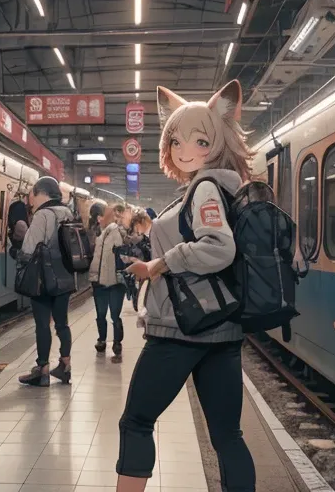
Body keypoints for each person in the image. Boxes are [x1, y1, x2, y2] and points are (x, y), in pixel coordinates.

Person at [115, 80, 256, 492]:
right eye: (175, 141)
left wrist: (159, 264)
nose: (183, 150)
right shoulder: (222, 187)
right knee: (228, 436)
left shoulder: (206, 189)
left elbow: (218, 247)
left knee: (136, 421)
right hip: (222, 330)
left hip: (183, 330)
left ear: (218, 139)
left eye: (198, 140)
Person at [17, 176, 75, 388]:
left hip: (44, 279)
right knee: (62, 323)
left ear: (39, 193)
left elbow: (29, 248)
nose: (31, 201)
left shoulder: (42, 215)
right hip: (66, 278)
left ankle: (42, 370)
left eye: (32, 196)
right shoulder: (67, 212)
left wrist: (19, 255)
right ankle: (65, 365)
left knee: (43, 324)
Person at [88, 205, 128, 362]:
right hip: (99, 280)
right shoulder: (101, 233)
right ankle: (103, 339)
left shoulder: (114, 231)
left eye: (101, 216)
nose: (98, 219)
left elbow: (119, 247)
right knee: (102, 314)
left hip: (113, 281)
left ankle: (115, 342)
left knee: (113, 314)